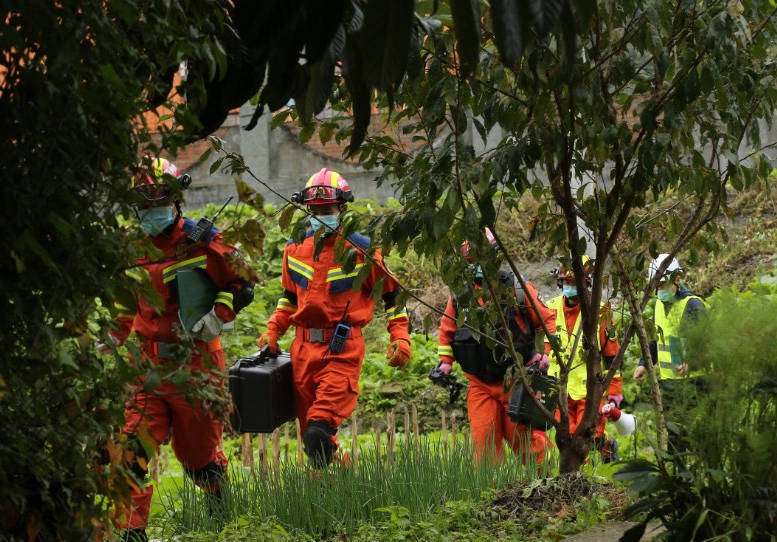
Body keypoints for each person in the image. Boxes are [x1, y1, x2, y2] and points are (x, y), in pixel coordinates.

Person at [98, 156, 258, 542]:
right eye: (144, 206)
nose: (151, 212)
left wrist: (220, 314)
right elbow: (126, 303)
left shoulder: (203, 241)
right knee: (131, 449)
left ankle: (219, 508)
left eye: (158, 203)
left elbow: (244, 284)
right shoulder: (132, 248)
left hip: (196, 366)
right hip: (146, 367)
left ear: (175, 200)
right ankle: (131, 535)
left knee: (198, 458)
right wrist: (112, 337)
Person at [258, 167, 411, 469]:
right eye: (314, 210)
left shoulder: (362, 250)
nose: (320, 215)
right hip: (302, 352)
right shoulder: (294, 248)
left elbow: (393, 296)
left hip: (342, 349)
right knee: (315, 445)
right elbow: (289, 298)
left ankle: (343, 484)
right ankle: (338, 488)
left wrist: (401, 336)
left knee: (318, 431)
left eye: (327, 210)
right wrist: (274, 330)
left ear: (342, 208)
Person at [435, 228, 557, 464]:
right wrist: (445, 362)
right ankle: (489, 488)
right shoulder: (461, 295)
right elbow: (447, 329)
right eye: (470, 261)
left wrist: (545, 354)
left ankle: (549, 479)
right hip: (480, 383)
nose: (475, 266)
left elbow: (547, 321)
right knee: (485, 448)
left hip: (517, 380)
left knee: (524, 444)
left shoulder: (517, 289)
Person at [545, 256, 623, 463]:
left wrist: (614, 390)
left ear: (586, 283)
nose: (570, 287)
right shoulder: (550, 309)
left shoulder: (601, 312)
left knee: (591, 436)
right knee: (569, 439)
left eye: (575, 282)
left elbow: (612, 356)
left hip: (590, 389)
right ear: (561, 282)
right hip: (560, 390)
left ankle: (606, 445)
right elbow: (543, 350)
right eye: (567, 282)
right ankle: (579, 475)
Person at [633, 254, 708, 426]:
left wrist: (691, 364)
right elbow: (655, 340)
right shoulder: (659, 305)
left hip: (694, 383)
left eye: (663, 284)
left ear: (677, 279)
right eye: (656, 285)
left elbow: (708, 343)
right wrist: (644, 363)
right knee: (673, 433)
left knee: (693, 433)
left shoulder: (693, 305)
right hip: (669, 384)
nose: (659, 289)